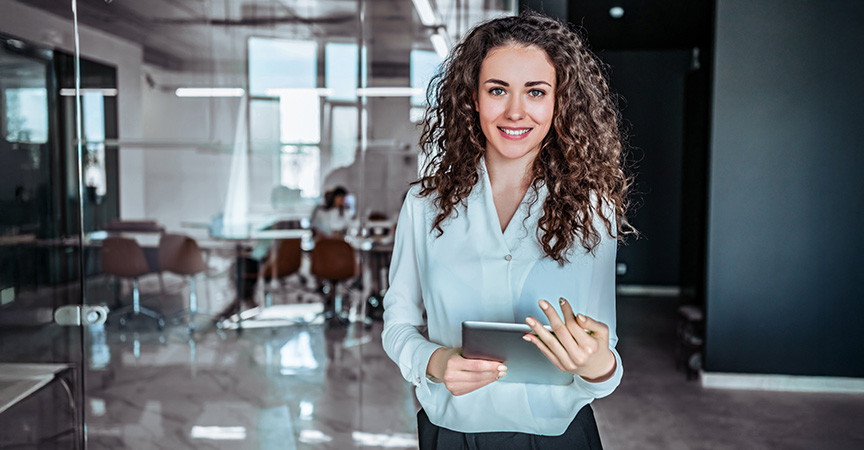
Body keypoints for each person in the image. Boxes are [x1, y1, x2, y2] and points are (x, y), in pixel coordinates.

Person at [381, 11, 634, 449]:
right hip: (452, 435)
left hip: (560, 438)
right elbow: (398, 323)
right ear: (474, 99)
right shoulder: (425, 205)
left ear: (559, 102)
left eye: (536, 92)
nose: (515, 111)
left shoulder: (593, 210)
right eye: (497, 90)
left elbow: (603, 353)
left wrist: (597, 365)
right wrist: (434, 362)